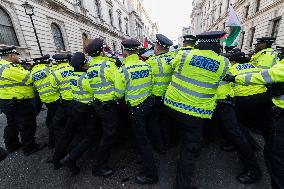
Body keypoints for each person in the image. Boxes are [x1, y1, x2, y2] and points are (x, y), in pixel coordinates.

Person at [163, 31, 230, 189]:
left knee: (175, 129)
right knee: (189, 151)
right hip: (196, 113)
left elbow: (171, 67)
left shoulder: (184, 55)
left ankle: (168, 147)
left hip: (172, 105)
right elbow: (224, 79)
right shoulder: (223, 62)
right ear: (217, 45)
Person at [227, 59, 284, 189]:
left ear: (233, 60)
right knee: (268, 130)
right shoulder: (254, 66)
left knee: (239, 130)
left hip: (245, 101)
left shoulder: (232, 69)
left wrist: (234, 79)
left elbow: (266, 76)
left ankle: (253, 170)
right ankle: (267, 147)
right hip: (264, 99)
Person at [115, 38, 158, 185]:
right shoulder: (146, 65)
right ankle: (146, 155)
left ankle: (151, 174)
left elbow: (119, 94)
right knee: (146, 135)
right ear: (137, 50)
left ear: (125, 51)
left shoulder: (123, 70)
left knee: (142, 140)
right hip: (147, 104)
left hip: (136, 109)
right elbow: (152, 84)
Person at [54, 52, 98, 176]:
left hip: (74, 107)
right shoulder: (86, 79)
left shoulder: (72, 75)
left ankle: (58, 159)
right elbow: (96, 92)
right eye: (86, 62)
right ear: (83, 65)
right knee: (90, 136)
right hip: (85, 110)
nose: (88, 63)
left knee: (72, 134)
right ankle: (70, 158)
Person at [83, 38, 120, 177]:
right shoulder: (107, 65)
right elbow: (119, 85)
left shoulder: (90, 67)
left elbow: (89, 87)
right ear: (102, 51)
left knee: (105, 133)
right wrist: (116, 98)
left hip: (98, 104)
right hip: (108, 106)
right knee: (107, 136)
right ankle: (98, 167)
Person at [0, 46, 40, 155]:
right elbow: (29, 78)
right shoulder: (9, 68)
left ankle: (12, 145)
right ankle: (29, 147)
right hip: (18, 102)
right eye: (16, 55)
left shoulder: (2, 66)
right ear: (11, 55)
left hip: (6, 101)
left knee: (12, 124)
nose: (18, 57)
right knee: (27, 124)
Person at [146, 34, 175, 152]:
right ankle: (169, 143)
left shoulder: (151, 61)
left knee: (154, 123)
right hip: (171, 96)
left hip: (156, 98)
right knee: (167, 121)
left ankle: (159, 146)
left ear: (157, 48)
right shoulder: (174, 58)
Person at [31, 55, 60, 149]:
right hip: (54, 97)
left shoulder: (33, 71)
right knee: (56, 118)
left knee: (51, 114)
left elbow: (35, 87)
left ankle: (50, 128)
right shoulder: (48, 69)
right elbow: (56, 81)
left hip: (45, 98)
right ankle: (54, 140)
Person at [50, 54, 74, 169]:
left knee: (61, 127)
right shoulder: (73, 68)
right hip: (78, 101)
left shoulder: (54, 73)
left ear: (57, 62)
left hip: (65, 103)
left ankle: (60, 155)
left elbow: (54, 89)